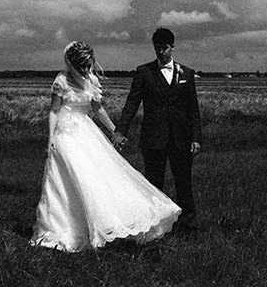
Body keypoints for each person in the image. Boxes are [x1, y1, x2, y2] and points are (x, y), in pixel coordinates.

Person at [29, 41, 181, 251]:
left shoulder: (91, 79)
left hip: (87, 133)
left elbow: (98, 109)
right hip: (65, 135)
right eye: (82, 66)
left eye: (88, 66)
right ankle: (67, 227)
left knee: (97, 177)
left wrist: (114, 131)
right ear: (71, 63)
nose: (85, 70)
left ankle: (106, 222)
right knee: (67, 179)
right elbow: (54, 111)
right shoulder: (61, 81)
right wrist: (51, 139)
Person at [119, 27, 201, 231]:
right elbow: (132, 103)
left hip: (181, 138)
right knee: (153, 184)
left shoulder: (187, 74)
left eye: (164, 48)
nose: (161, 52)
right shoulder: (143, 72)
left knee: (184, 182)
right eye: (157, 48)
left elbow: (194, 110)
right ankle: (155, 226)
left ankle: (187, 224)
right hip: (153, 138)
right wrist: (121, 131)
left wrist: (196, 138)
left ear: (172, 47)